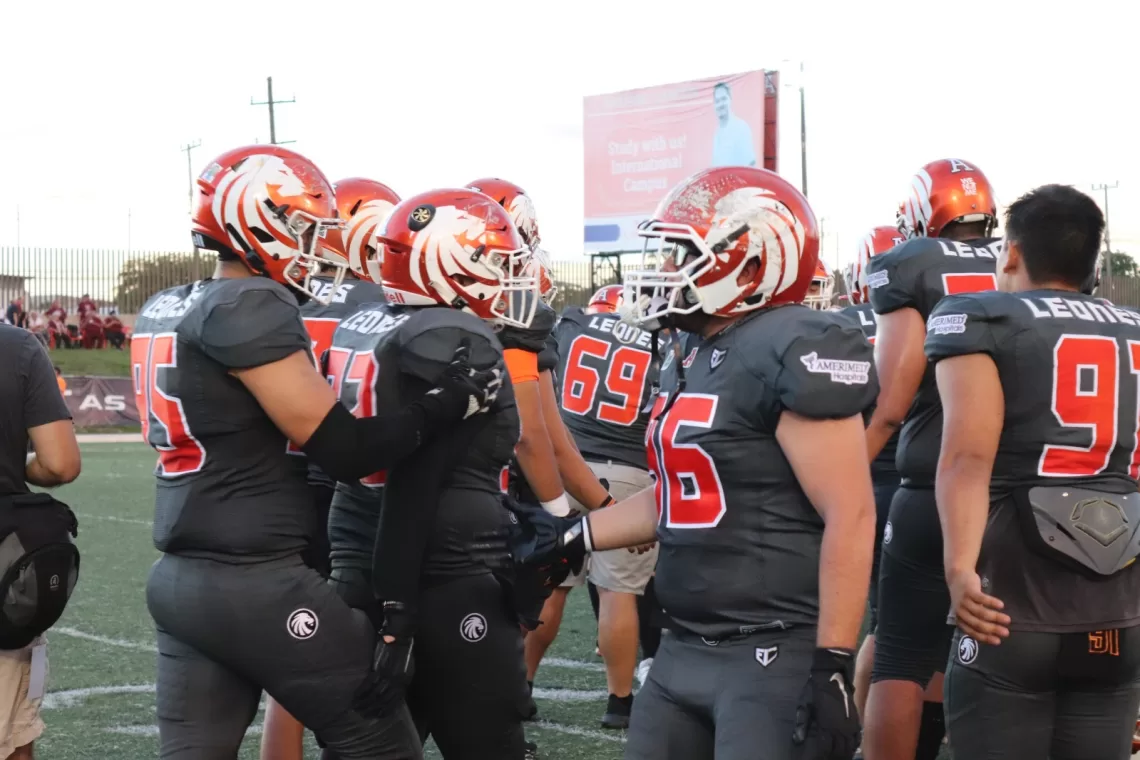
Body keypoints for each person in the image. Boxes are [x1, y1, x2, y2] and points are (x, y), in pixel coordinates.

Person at [493, 166, 877, 759]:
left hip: (770, 653)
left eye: (683, 254)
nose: (664, 270)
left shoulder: (795, 343)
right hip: (683, 646)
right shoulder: (693, 349)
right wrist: (575, 536)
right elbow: (683, 491)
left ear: (751, 266)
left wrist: (831, 660)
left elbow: (850, 512)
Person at [135, 146, 502, 759]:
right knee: (383, 744)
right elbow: (345, 451)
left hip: (179, 579)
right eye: (300, 227)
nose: (311, 246)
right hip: (255, 577)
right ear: (253, 219)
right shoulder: (249, 303)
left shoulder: (168, 303)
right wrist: (442, 406)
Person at [927, 184, 1140, 759]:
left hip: (1012, 602)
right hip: (1117, 612)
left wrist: (958, 570)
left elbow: (967, 456)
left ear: (1013, 253)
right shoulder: (1134, 327)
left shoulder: (981, 316)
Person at [323, 187, 532, 759]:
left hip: (359, 557)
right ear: (447, 262)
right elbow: (416, 482)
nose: (505, 277)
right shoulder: (451, 336)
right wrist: (400, 614)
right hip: (439, 573)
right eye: (492, 261)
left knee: (373, 746)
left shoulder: (362, 321)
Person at [860, 158, 1001, 760]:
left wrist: (848, 470)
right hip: (1012, 483)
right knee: (986, 648)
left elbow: (893, 398)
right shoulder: (1015, 259)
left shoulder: (909, 264)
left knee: (899, 652)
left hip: (932, 477)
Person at [260, 176, 401, 760]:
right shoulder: (379, 304)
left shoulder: (278, 294)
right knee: (356, 642)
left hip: (275, 481)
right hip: (350, 486)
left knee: (297, 648)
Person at [553, 283, 660, 728]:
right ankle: (619, 703)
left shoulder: (573, 322)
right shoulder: (660, 342)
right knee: (618, 593)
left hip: (566, 466)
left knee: (552, 586)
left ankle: (519, 689)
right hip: (627, 471)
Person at [0, 321, 80, 760]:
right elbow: (60, 463)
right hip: (2, 564)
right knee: (11, 741)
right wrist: (15, 461)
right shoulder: (15, 346)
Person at [841, 225, 904, 721]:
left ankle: (864, 729)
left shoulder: (840, 323)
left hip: (866, 479)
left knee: (886, 625)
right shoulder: (939, 313)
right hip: (929, 481)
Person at [710, 82, 757, 168]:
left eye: (723, 99)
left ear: (730, 99)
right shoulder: (717, 132)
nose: (720, 104)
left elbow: (750, 164)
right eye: (717, 101)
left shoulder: (741, 128)